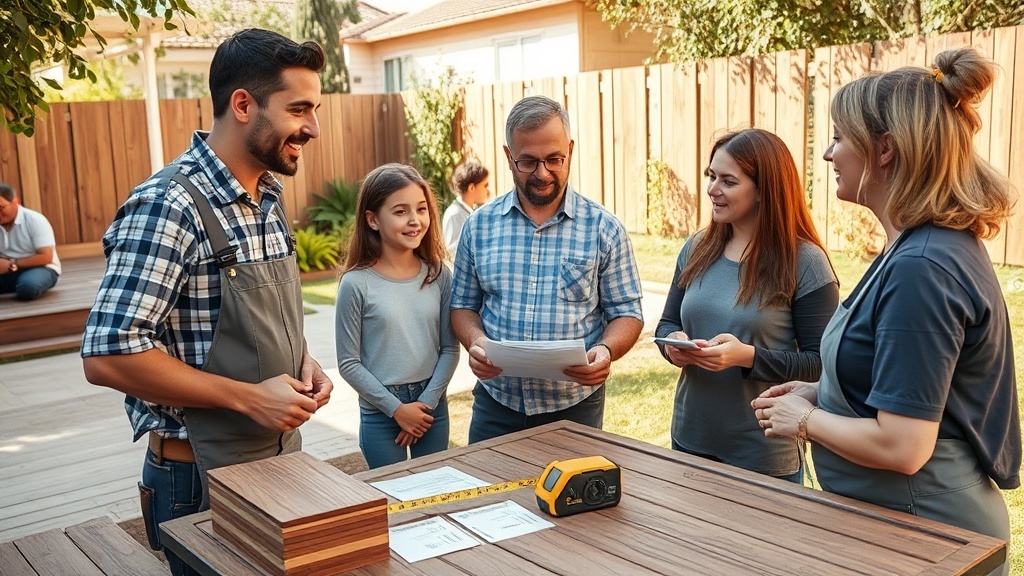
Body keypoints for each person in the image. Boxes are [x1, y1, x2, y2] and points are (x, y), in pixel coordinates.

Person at [752, 47, 1020, 575]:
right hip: (897, 524)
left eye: (837, 137)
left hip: (930, 531)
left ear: (885, 149)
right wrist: (824, 392)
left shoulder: (924, 266)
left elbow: (903, 445)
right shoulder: (915, 247)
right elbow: (910, 381)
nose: (828, 154)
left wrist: (806, 420)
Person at [81, 29, 333, 576]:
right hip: (199, 481)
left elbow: (250, 321)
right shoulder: (167, 205)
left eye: (315, 108)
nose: (313, 127)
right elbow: (106, 355)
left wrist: (302, 364)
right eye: (299, 109)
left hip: (282, 463)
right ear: (243, 104)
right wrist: (247, 398)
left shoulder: (268, 197)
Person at [451, 95, 644, 443]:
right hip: (497, 404)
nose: (542, 173)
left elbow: (627, 313)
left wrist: (606, 350)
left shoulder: (604, 229)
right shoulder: (478, 226)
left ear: (570, 149)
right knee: (486, 496)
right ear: (508, 156)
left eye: (554, 159)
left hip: (575, 409)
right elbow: (462, 305)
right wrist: (476, 342)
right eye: (528, 161)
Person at [655, 129, 838, 483]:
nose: (712, 189)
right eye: (711, 176)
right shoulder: (696, 248)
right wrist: (673, 345)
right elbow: (665, 324)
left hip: (763, 454)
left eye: (728, 181)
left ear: (763, 190)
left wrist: (747, 358)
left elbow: (822, 363)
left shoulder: (805, 262)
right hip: (689, 440)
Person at [335, 163, 459, 469]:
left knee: (435, 493)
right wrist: (398, 410)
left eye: (421, 209)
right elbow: (349, 364)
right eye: (401, 211)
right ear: (373, 219)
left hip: (431, 405)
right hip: (380, 410)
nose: (415, 220)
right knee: (391, 499)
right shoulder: (356, 283)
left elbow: (450, 348)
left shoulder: (439, 275)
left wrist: (425, 405)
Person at [0, 183, 61, 300]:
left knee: (27, 288)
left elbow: (46, 257)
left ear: (15, 202)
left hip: (41, 268)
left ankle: (19, 285)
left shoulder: (35, 220)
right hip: (6, 271)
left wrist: (12, 264)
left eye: (0, 208)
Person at [443, 158, 490, 257]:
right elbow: (452, 254)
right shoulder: (455, 214)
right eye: (485, 186)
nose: (487, 191)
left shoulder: (469, 212)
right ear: (472, 188)